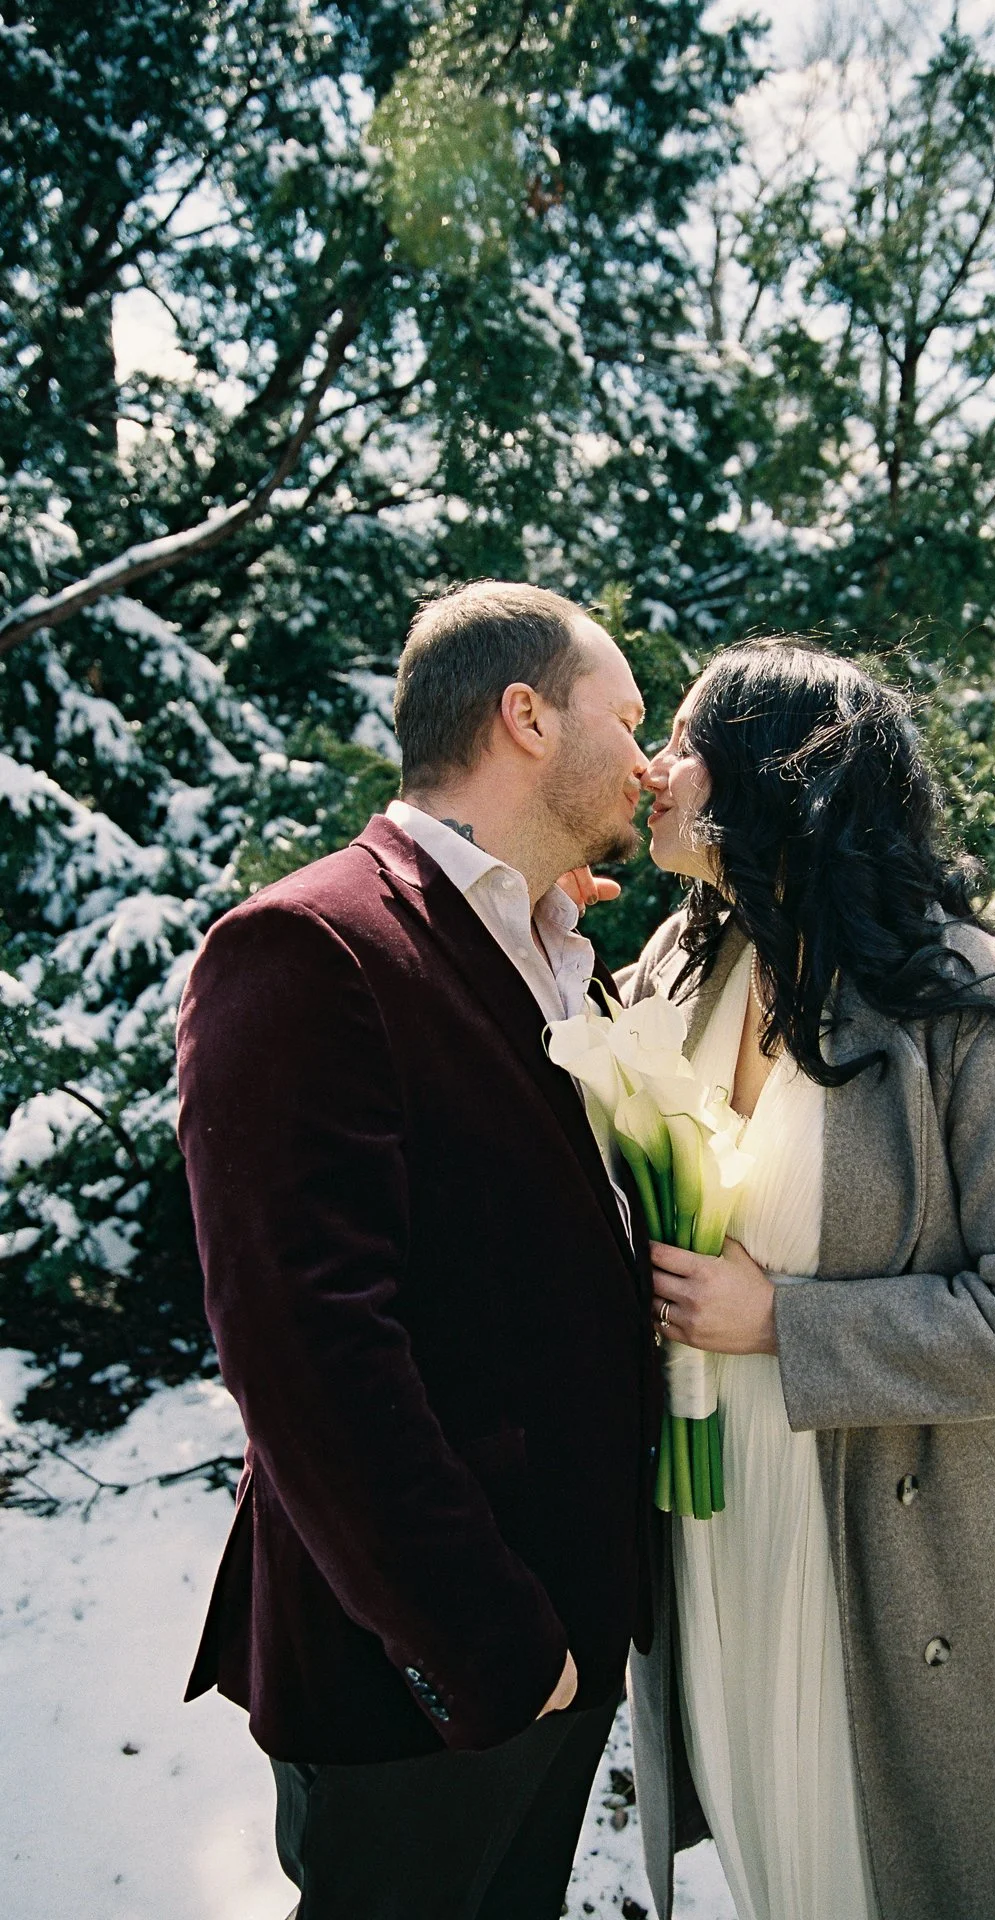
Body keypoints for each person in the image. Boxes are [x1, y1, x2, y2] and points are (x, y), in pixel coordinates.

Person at [176, 581, 659, 1920]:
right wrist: (491, 1652)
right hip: (426, 1681)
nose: (650, 756)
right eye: (625, 719)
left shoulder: (556, 947)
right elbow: (307, 1352)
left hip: (567, 1640)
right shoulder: (307, 945)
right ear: (522, 716)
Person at [624, 639, 995, 1920]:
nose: (655, 771)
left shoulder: (953, 1004)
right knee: (776, 1855)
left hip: (886, 1549)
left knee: (888, 1867)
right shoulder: (686, 965)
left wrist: (784, 1325)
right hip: (719, 1530)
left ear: (769, 779)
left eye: (684, 742)